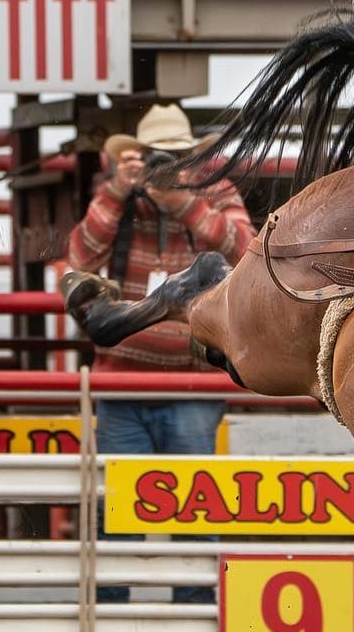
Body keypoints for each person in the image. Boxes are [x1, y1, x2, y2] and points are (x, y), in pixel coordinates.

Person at [67, 103, 255, 605]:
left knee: (195, 511)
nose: (167, 166)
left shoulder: (213, 191)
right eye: (157, 157)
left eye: (174, 156)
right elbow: (79, 259)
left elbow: (246, 251)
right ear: (138, 159)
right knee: (116, 513)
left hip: (188, 384)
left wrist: (181, 204)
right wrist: (114, 192)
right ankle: (109, 610)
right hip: (125, 385)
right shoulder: (119, 200)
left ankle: (192, 610)